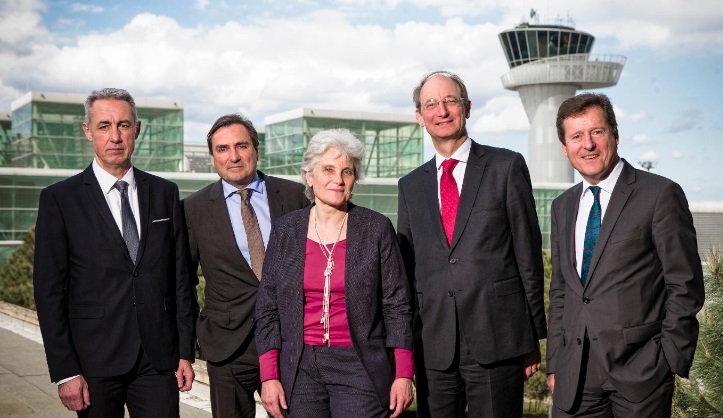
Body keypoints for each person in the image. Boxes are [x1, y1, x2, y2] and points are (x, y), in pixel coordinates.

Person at [33, 88, 195, 418]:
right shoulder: (60, 200)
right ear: (88, 131)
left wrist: (184, 351)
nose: (115, 136)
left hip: (158, 360)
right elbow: (49, 292)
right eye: (104, 125)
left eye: (123, 125)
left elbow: (180, 278)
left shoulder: (164, 192)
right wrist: (66, 371)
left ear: (137, 129)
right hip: (93, 362)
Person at [397, 70, 547, 417]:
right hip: (434, 344)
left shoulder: (505, 166)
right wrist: (405, 346)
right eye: (431, 104)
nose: (442, 111)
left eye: (450, 101)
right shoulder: (410, 186)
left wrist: (532, 338)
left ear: (467, 106)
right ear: (420, 117)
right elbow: (407, 270)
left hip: (499, 339)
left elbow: (528, 253)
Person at [546, 93, 705, 417]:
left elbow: (684, 283)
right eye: (576, 136)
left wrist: (668, 357)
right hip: (574, 375)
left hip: (641, 372)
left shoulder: (659, 194)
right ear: (565, 148)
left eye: (597, 132)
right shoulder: (562, 206)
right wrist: (554, 363)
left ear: (615, 135)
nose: (587, 144)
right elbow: (561, 290)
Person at [255, 128, 414, 418]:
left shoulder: (376, 228)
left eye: (347, 172)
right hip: (299, 364)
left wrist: (403, 373)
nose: (338, 180)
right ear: (309, 175)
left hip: (360, 362)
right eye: (328, 169)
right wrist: (269, 376)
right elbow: (268, 308)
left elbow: (397, 306)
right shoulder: (286, 230)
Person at [183, 113, 308, 418]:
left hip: (291, 340)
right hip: (228, 344)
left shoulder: (295, 196)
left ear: (255, 149)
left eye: (241, 146)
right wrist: (186, 346)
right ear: (213, 157)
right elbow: (182, 282)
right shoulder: (193, 208)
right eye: (223, 149)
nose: (234, 156)